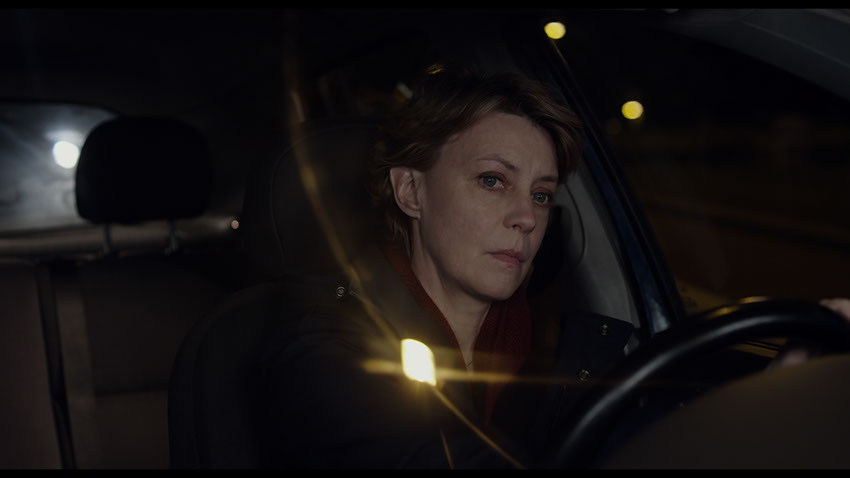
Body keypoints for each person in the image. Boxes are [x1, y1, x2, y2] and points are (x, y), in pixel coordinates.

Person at [259, 67, 850, 469]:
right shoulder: (327, 343)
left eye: (541, 195)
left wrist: (770, 401)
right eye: (493, 181)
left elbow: (653, 429)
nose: (527, 218)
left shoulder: (570, 343)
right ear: (411, 192)